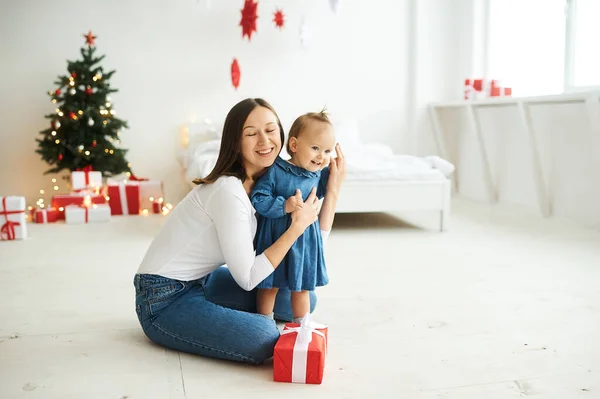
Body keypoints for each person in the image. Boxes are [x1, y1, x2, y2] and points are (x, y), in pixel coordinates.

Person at [133, 98, 346, 365]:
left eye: (270, 130)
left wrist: (334, 188)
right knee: (264, 335)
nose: (264, 141)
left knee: (304, 297)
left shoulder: (269, 183)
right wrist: (297, 226)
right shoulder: (228, 191)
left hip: (203, 280)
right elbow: (248, 279)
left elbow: (316, 243)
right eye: (250, 133)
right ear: (235, 141)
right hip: (162, 297)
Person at [251, 110, 335, 322]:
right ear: (295, 145)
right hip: (276, 239)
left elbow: (327, 190)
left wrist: (336, 174)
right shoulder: (276, 169)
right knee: (269, 285)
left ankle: (302, 325)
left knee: (302, 288)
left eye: (327, 151)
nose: (321, 156)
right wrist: (284, 205)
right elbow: (259, 198)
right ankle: (264, 322)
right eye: (315, 148)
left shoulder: (317, 175)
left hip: (304, 241)